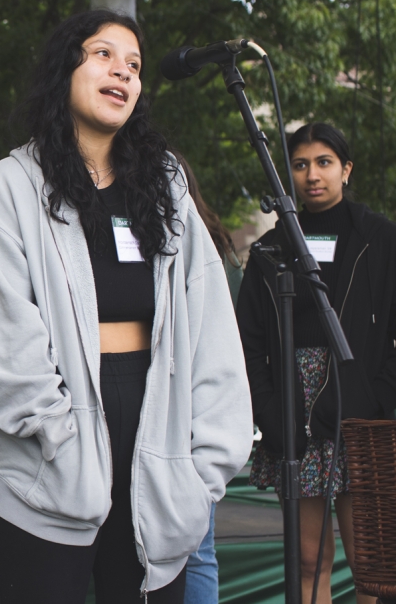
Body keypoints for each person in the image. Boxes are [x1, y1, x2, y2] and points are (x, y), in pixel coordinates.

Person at [0, 10, 254, 604]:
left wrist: (203, 468)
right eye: (102, 55)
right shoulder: (11, 186)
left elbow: (212, 322)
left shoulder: (164, 188)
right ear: (66, 69)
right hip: (52, 454)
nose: (123, 71)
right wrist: (56, 436)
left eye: (135, 65)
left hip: (156, 431)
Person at [238, 122, 396, 604]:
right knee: (309, 560)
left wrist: (374, 399)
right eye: (301, 165)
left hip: (359, 411)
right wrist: (268, 412)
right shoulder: (268, 250)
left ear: (346, 170)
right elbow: (245, 343)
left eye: (324, 162)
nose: (312, 175)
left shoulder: (385, 240)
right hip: (294, 416)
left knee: (371, 565)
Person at [175, 153, 244, 604]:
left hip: (184, 409)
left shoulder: (194, 244)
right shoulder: (220, 247)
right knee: (200, 552)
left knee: (196, 550)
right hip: (203, 410)